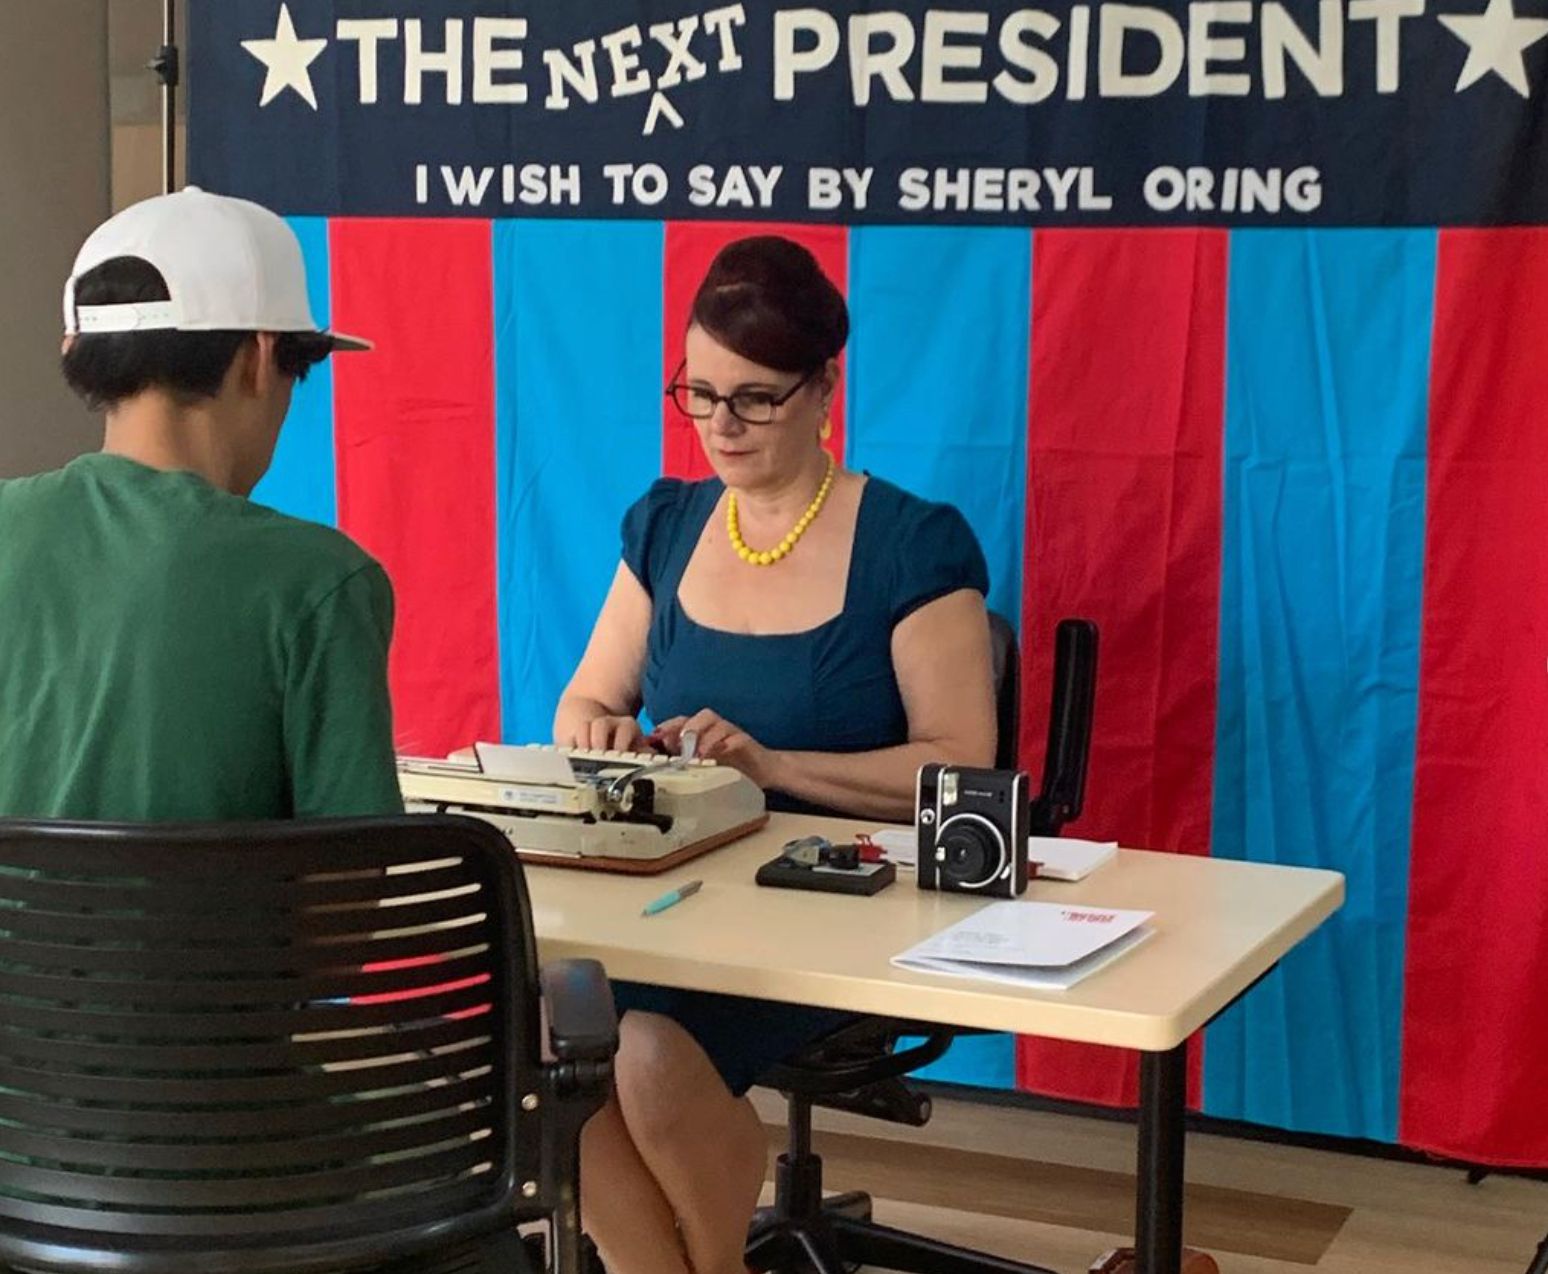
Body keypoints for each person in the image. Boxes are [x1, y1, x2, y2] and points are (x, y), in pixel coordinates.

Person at [555, 236, 997, 1274]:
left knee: (649, 1044)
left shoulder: (912, 542)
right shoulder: (665, 525)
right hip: (679, 893)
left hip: (849, 903)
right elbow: (583, 699)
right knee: (552, 1044)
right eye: (698, 394)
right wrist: (604, 734)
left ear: (825, 387)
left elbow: (962, 764)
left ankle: (710, 1261)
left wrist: (777, 765)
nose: (720, 425)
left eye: (753, 398)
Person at [0, 186, 400, 822]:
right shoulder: (323, 581)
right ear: (260, 358)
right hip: (227, 928)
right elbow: (357, 880)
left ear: (76, 352)